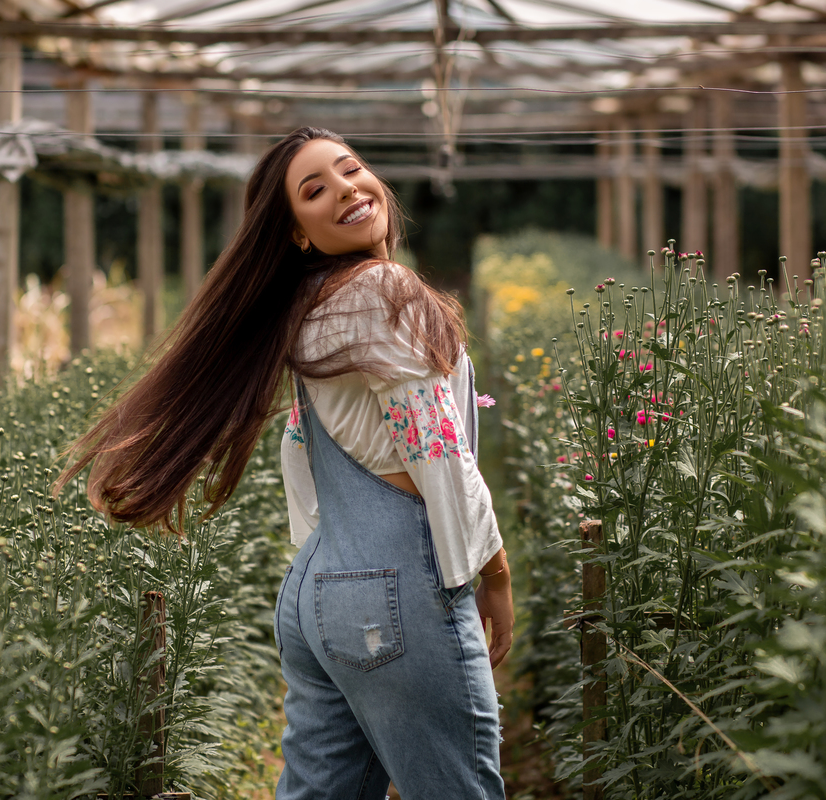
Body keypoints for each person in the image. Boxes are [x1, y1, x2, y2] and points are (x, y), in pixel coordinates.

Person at [55, 126, 511, 800]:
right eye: (314, 189)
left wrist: (335, 574)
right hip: (398, 592)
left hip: (318, 592)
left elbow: (299, 450)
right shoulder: (385, 290)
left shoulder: (309, 308)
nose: (346, 189)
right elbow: (436, 451)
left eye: (351, 169)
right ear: (297, 232)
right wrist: (492, 572)